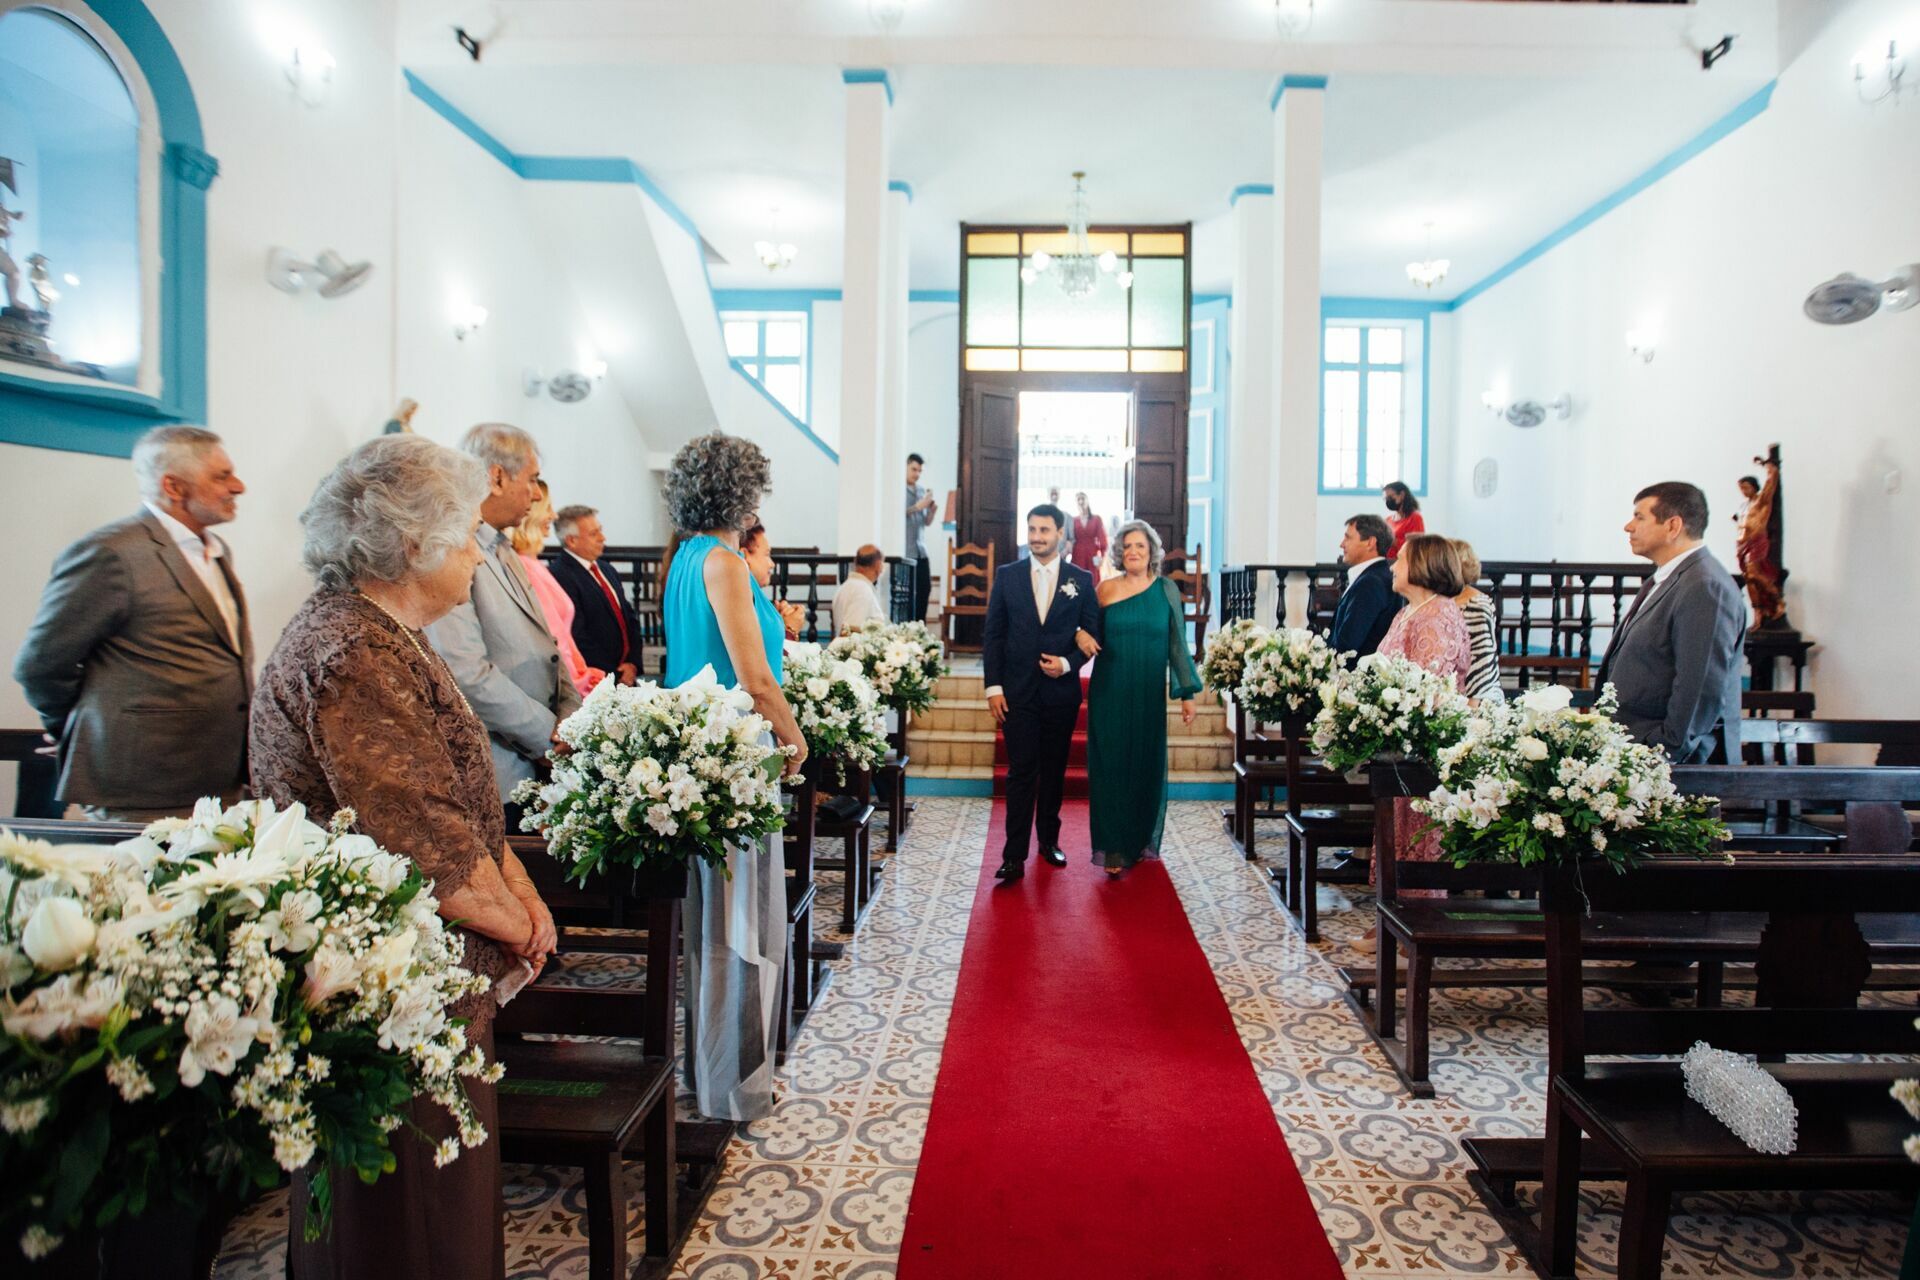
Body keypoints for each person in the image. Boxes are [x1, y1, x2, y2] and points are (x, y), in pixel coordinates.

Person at [251, 435, 558, 1280]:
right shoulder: (351, 649)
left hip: (424, 976)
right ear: (415, 546)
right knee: (408, 1219)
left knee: (444, 1200)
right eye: (463, 538)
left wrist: (523, 900)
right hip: (383, 986)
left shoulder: (389, 633)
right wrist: (521, 925)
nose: (473, 556)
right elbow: (418, 835)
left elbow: (464, 804)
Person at [661, 432, 807, 1121]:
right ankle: (735, 1089)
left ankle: (707, 1073)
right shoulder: (724, 563)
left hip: (701, 753)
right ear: (741, 492)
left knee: (713, 924)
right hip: (735, 759)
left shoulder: (684, 559)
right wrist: (794, 733)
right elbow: (754, 677)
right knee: (742, 926)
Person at [13, 425, 251, 822]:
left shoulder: (215, 550)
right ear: (173, 487)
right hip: (143, 785)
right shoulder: (112, 553)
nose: (238, 486)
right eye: (221, 476)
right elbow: (40, 665)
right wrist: (76, 729)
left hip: (216, 781)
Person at [424, 423, 582, 809]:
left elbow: (549, 646)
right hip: (498, 766)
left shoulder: (502, 547)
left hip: (540, 756)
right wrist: (548, 733)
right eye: (531, 479)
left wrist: (572, 719)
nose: (535, 493)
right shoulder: (452, 550)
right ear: (496, 477)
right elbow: (464, 671)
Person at [1354, 533, 1472, 952]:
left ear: (1422, 566)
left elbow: (1429, 686)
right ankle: (1392, 919)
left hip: (1423, 748)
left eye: (1400, 559)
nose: (1392, 567)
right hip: (1399, 747)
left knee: (1420, 839)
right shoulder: (1410, 611)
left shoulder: (1437, 615)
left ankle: (1416, 932)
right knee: (1396, 834)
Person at [982, 504, 1100, 883]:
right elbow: (994, 635)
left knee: (1053, 772)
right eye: (1032, 529)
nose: (1036, 536)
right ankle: (1013, 856)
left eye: (1044, 530)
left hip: (1059, 694)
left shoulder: (1081, 580)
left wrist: (1067, 664)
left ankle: (1049, 841)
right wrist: (993, 687)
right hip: (1016, 692)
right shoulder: (1007, 576)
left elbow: (1093, 634)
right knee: (1020, 773)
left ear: (1061, 534)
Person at [1079, 521, 1200, 876]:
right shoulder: (1105, 589)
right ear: (1119, 552)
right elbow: (1087, 634)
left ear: (1152, 553)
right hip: (1110, 690)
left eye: (1140, 547)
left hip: (1148, 694)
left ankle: (1137, 841)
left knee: (1145, 766)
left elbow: (1178, 642)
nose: (1133, 552)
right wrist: (1078, 636)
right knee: (1111, 767)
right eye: (1128, 546)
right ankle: (1113, 848)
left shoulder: (1166, 591)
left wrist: (1188, 694)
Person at [1596, 481, 1744, 764]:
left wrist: (1665, 750)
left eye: (1640, 517)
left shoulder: (1704, 585)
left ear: (1673, 526)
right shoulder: (1672, 578)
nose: (1629, 526)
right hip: (1641, 751)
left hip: (1673, 765)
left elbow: (1699, 685)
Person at [511, 482, 603, 697]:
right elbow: (554, 639)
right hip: (563, 686)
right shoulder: (525, 566)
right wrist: (579, 682)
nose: (552, 516)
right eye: (547, 508)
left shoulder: (535, 564)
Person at [548, 503, 641, 685]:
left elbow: (629, 617)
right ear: (571, 540)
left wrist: (633, 663)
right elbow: (577, 635)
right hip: (598, 679)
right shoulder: (559, 576)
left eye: (600, 530)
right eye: (593, 534)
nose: (602, 538)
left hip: (626, 673)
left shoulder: (606, 569)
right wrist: (615, 674)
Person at [1329, 514, 1402, 658]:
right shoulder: (1375, 576)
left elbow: (1348, 646)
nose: (1342, 544)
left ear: (1370, 543)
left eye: (1348, 538)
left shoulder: (1371, 583)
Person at [1449, 538, 1504, 703]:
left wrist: (1472, 705)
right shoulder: (1445, 599)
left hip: (1475, 700)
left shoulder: (1476, 604)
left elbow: (1481, 658)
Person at [741, 522, 807, 639]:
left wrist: (776, 622)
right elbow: (761, 655)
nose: (772, 564)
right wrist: (789, 630)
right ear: (744, 556)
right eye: (766, 555)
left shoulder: (750, 595)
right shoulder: (738, 600)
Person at [905, 453, 937, 624]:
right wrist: (918, 506)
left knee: (925, 589)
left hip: (921, 551)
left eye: (919, 471)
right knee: (908, 593)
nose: (916, 474)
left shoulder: (921, 491)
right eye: (913, 469)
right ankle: (907, 628)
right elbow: (898, 513)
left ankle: (920, 626)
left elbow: (926, 522)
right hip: (906, 550)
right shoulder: (898, 490)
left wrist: (931, 511)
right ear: (906, 467)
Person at [831, 545, 887, 635]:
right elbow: (850, 631)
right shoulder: (862, 590)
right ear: (878, 565)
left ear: (855, 562)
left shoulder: (845, 587)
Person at [1069, 492, 1108, 578]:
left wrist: (1101, 556)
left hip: (1092, 553)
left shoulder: (1096, 519)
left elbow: (1103, 539)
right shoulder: (1073, 520)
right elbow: (1069, 539)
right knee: (1076, 579)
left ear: (1087, 501)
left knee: (1093, 579)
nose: (1081, 501)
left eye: (1083, 498)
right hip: (1077, 554)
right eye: (1078, 499)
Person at [1382, 481, 1425, 557]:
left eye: (1390, 497)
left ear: (1402, 495)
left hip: (1403, 563)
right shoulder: (1388, 520)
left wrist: (1394, 542)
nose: (1388, 500)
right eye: (1386, 498)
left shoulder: (1415, 518)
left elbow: (1416, 547)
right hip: (1387, 561)